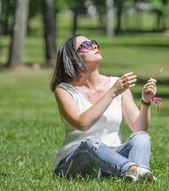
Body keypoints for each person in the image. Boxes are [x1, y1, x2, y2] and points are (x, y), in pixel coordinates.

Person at [50, 35, 158, 182]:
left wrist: (146, 102)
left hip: (111, 161)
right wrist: (112, 92)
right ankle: (134, 171)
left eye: (94, 43)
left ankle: (137, 177)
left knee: (141, 138)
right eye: (86, 45)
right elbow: (82, 123)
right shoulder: (64, 91)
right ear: (73, 56)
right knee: (90, 143)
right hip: (75, 163)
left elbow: (139, 128)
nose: (94, 46)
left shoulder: (117, 85)